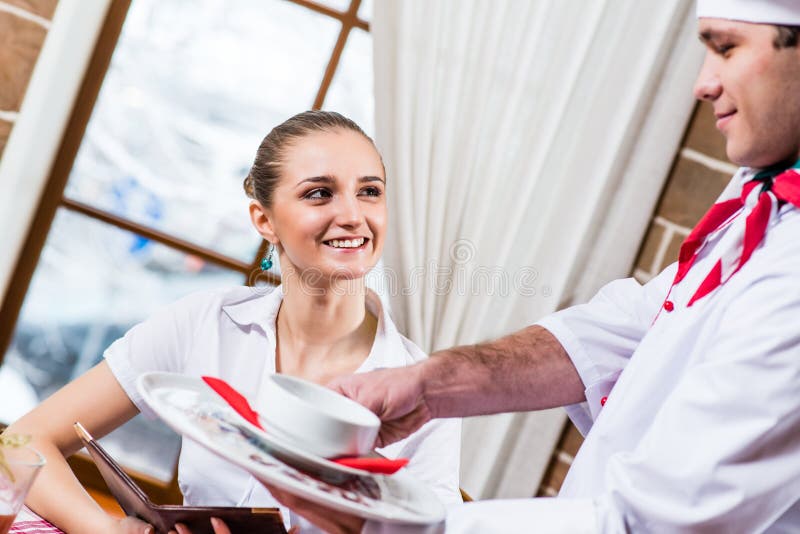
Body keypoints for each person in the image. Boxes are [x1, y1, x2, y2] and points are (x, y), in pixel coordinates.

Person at [262, 2, 800, 532]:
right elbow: (641, 323)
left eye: (726, 48)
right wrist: (432, 384)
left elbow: (650, 523)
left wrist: (390, 526)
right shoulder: (766, 185)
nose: (703, 84)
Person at [3, 111, 461, 534]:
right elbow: (23, 442)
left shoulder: (422, 392)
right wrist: (112, 531)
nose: (352, 215)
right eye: (319, 193)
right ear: (265, 220)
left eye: (370, 191)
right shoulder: (205, 322)